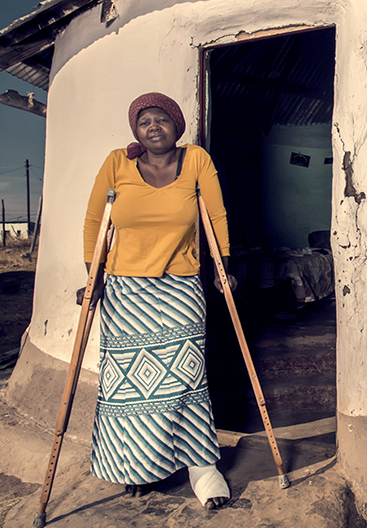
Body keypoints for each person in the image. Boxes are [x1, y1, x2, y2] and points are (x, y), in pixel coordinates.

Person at [79, 91, 237, 509]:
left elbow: (216, 216)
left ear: (176, 126)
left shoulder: (196, 159)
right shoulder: (117, 163)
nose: (153, 127)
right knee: (128, 388)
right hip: (125, 292)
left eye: (161, 119)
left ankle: (202, 468)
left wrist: (222, 267)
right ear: (136, 130)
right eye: (144, 121)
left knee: (186, 380)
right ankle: (136, 466)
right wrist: (93, 276)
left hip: (179, 287)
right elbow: (95, 221)